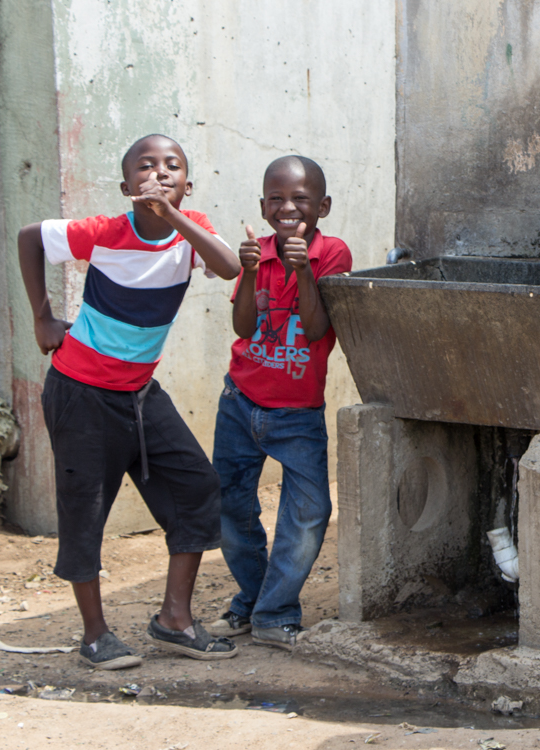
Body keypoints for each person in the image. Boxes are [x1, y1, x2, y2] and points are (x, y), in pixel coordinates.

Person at [17, 134, 242, 669]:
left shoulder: (194, 234)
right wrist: (42, 316)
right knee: (86, 508)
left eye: (173, 167)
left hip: (140, 395)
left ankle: (175, 619)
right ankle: (95, 635)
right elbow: (30, 237)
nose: (160, 173)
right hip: (80, 393)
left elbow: (231, 268)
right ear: (126, 186)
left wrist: (173, 214)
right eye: (147, 166)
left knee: (196, 485)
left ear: (188, 184)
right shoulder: (105, 233)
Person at [209, 155, 352, 650]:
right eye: (276, 198)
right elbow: (244, 328)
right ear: (263, 205)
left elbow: (316, 329)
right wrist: (250, 273)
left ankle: (273, 614)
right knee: (231, 506)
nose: (287, 207)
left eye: (300, 199)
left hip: (296, 414)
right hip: (240, 402)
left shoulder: (332, 253)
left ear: (322, 206)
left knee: (309, 512)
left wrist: (304, 271)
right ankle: (255, 601)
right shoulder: (258, 253)